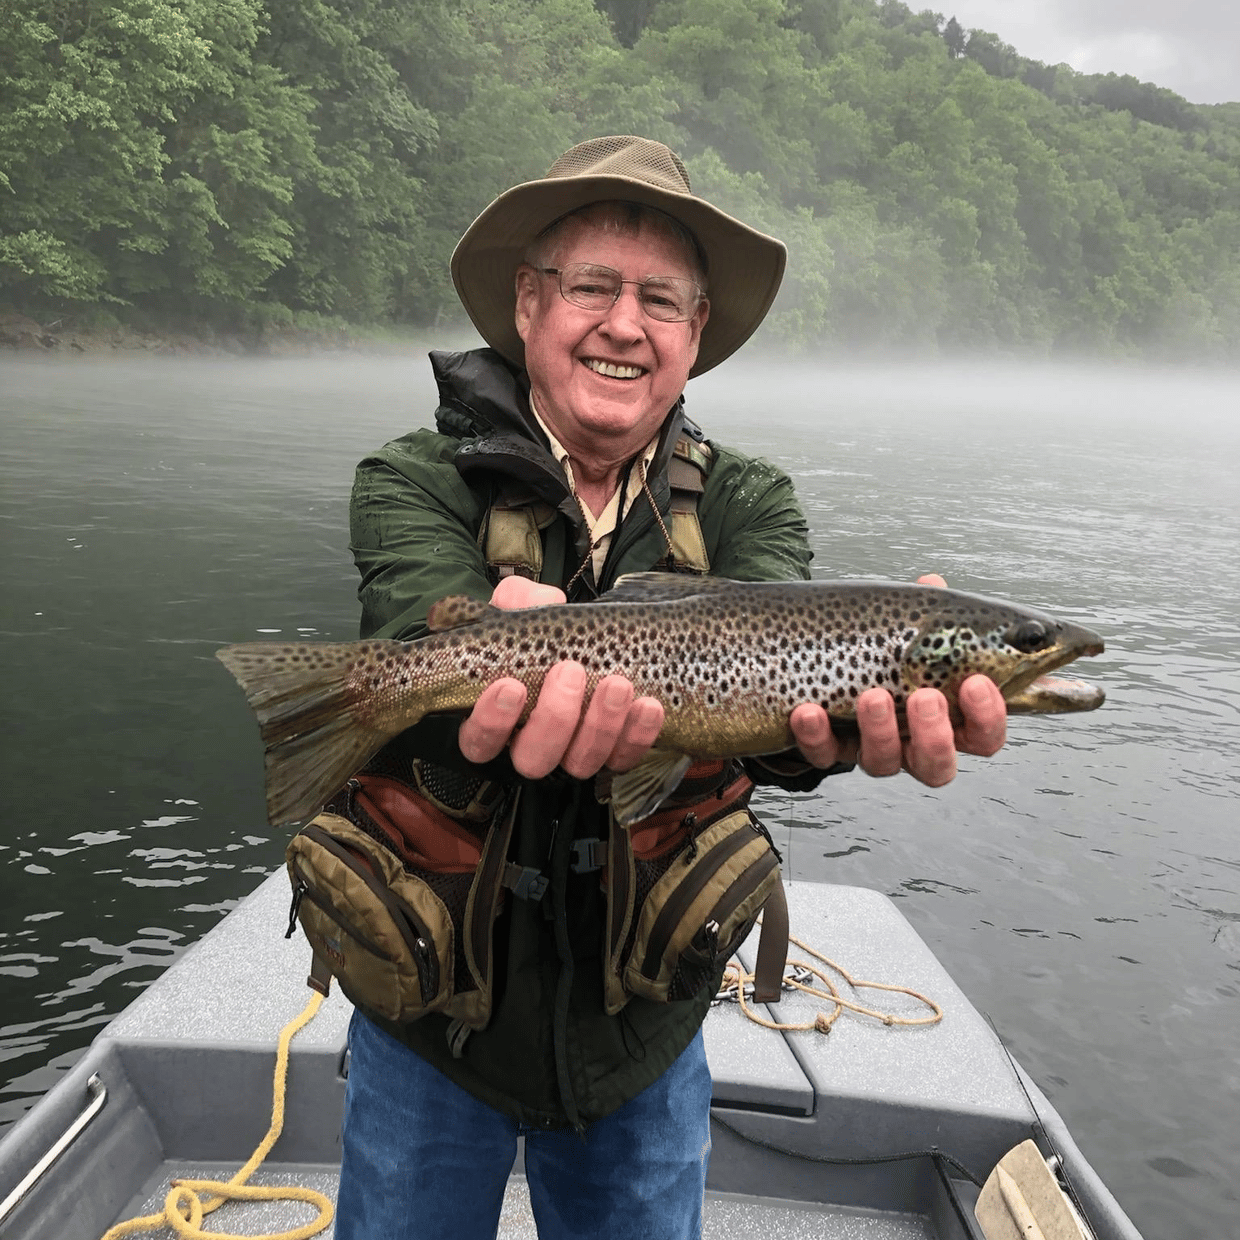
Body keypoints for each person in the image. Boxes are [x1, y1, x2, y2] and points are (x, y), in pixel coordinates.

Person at [333, 135, 1007, 1239]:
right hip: (430, 1020)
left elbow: (779, 705)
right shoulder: (412, 477)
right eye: (594, 286)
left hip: (638, 1029)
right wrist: (471, 650)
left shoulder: (751, 502)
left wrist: (833, 730)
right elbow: (409, 627)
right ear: (528, 302)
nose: (623, 324)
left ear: (694, 337)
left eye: (661, 299)